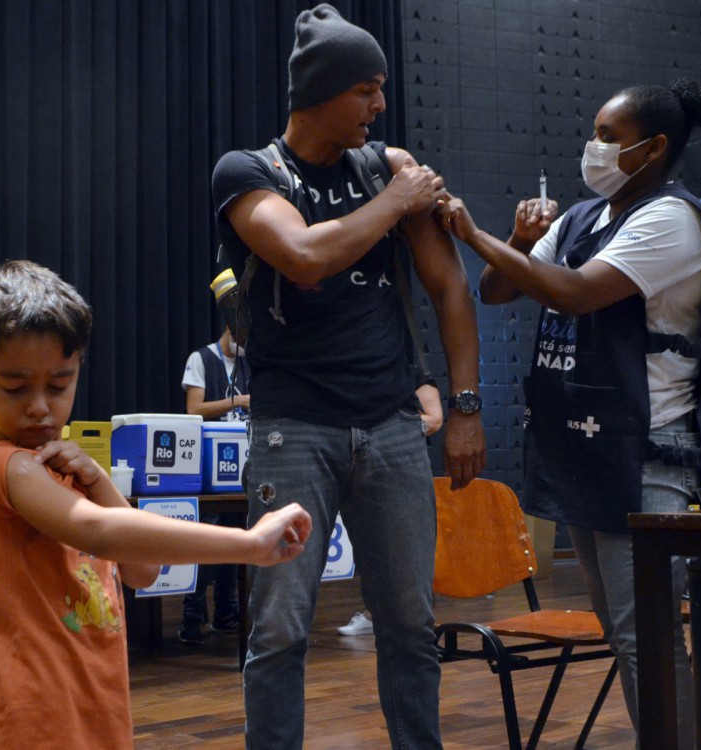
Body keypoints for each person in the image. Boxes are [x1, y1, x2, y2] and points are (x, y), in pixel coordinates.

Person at [211, 5, 486, 746]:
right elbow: (301, 255)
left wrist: (463, 406)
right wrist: (394, 202)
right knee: (278, 629)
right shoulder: (248, 172)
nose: (381, 105)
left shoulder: (385, 165)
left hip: (393, 424)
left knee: (409, 626)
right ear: (320, 90)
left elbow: (450, 289)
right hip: (292, 427)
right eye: (366, 88)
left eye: (382, 88)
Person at [436, 78, 701, 749]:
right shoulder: (580, 220)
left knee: (641, 637)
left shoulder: (670, 218)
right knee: (625, 634)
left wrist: (470, 231)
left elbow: (571, 293)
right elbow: (499, 287)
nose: (591, 148)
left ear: (652, 149)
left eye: (607, 137)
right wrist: (509, 236)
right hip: (591, 451)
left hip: (648, 453)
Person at [0, 260, 312, 748]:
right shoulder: (0, 466)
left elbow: (142, 570)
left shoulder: (63, 470)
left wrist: (96, 476)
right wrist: (247, 544)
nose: (40, 405)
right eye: (15, 388)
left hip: (95, 714)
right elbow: (96, 531)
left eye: (58, 384)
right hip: (27, 725)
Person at [177, 271, 251, 644]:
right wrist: (237, 401)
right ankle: (192, 615)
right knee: (206, 535)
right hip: (207, 463)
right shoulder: (201, 359)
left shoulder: (251, 361)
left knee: (236, 535)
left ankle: (227, 611)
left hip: (242, 463)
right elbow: (193, 409)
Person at [337, 377, 442, 637]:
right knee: (373, 547)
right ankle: (373, 613)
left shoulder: (416, 377)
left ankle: (385, 615)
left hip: (398, 462)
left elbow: (435, 420)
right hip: (357, 456)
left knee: (400, 553)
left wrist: (387, 425)